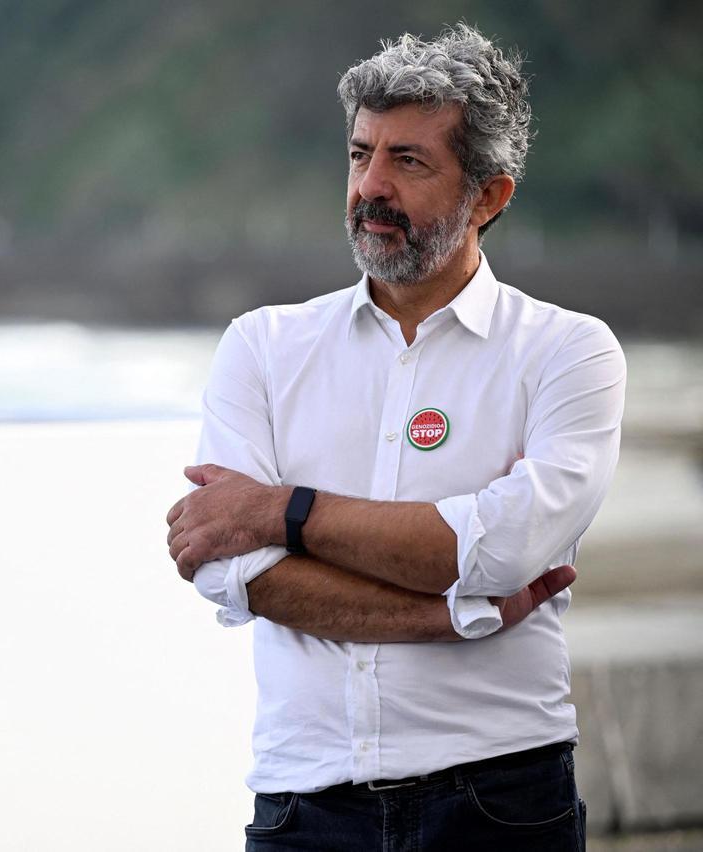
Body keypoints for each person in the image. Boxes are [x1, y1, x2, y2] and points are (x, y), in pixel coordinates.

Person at [164, 25, 624, 851]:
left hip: (501, 797)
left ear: (489, 196)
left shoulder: (568, 351)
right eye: (359, 153)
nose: (370, 185)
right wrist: (455, 616)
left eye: (408, 161)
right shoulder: (262, 347)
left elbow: (507, 550)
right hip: (304, 799)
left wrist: (285, 512)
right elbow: (231, 570)